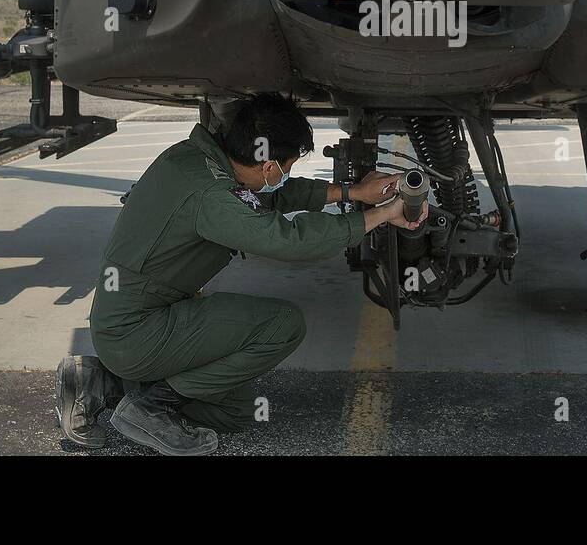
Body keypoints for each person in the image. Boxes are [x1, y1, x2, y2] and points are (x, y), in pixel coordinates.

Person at [55, 94, 424, 455]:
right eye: (287, 168)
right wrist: (380, 215)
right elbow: (287, 240)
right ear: (268, 166)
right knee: (283, 325)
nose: (285, 176)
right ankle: (151, 406)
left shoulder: (199, 160)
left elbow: (269, 197)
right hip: (136, 331)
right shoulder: (211, 194)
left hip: (138, 322)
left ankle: (100, 380)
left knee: (234, 412)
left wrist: (354, 191)